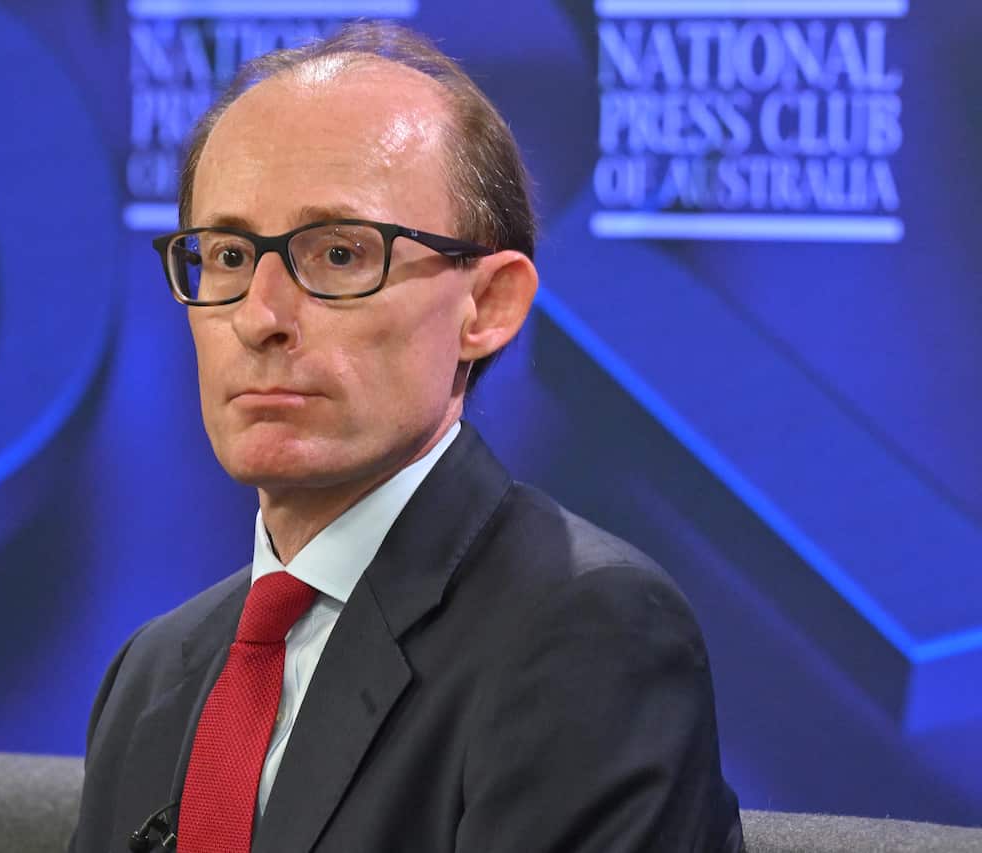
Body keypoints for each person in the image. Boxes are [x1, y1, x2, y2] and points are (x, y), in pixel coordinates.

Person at [71, 21, 744, 853]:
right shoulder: (152, 675)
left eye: (341, 253)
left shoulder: (589, 633)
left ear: (487, 306)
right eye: (231, 255)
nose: (260, 317)